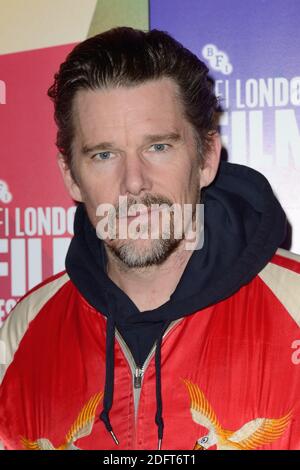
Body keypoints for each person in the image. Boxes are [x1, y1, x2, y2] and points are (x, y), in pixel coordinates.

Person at [0, 27, 300, 451]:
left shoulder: (295, 306)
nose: (134, 182)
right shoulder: (22, 334)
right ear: (71, 176)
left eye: (158, 147)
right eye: (104, 155)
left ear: (207, 158)